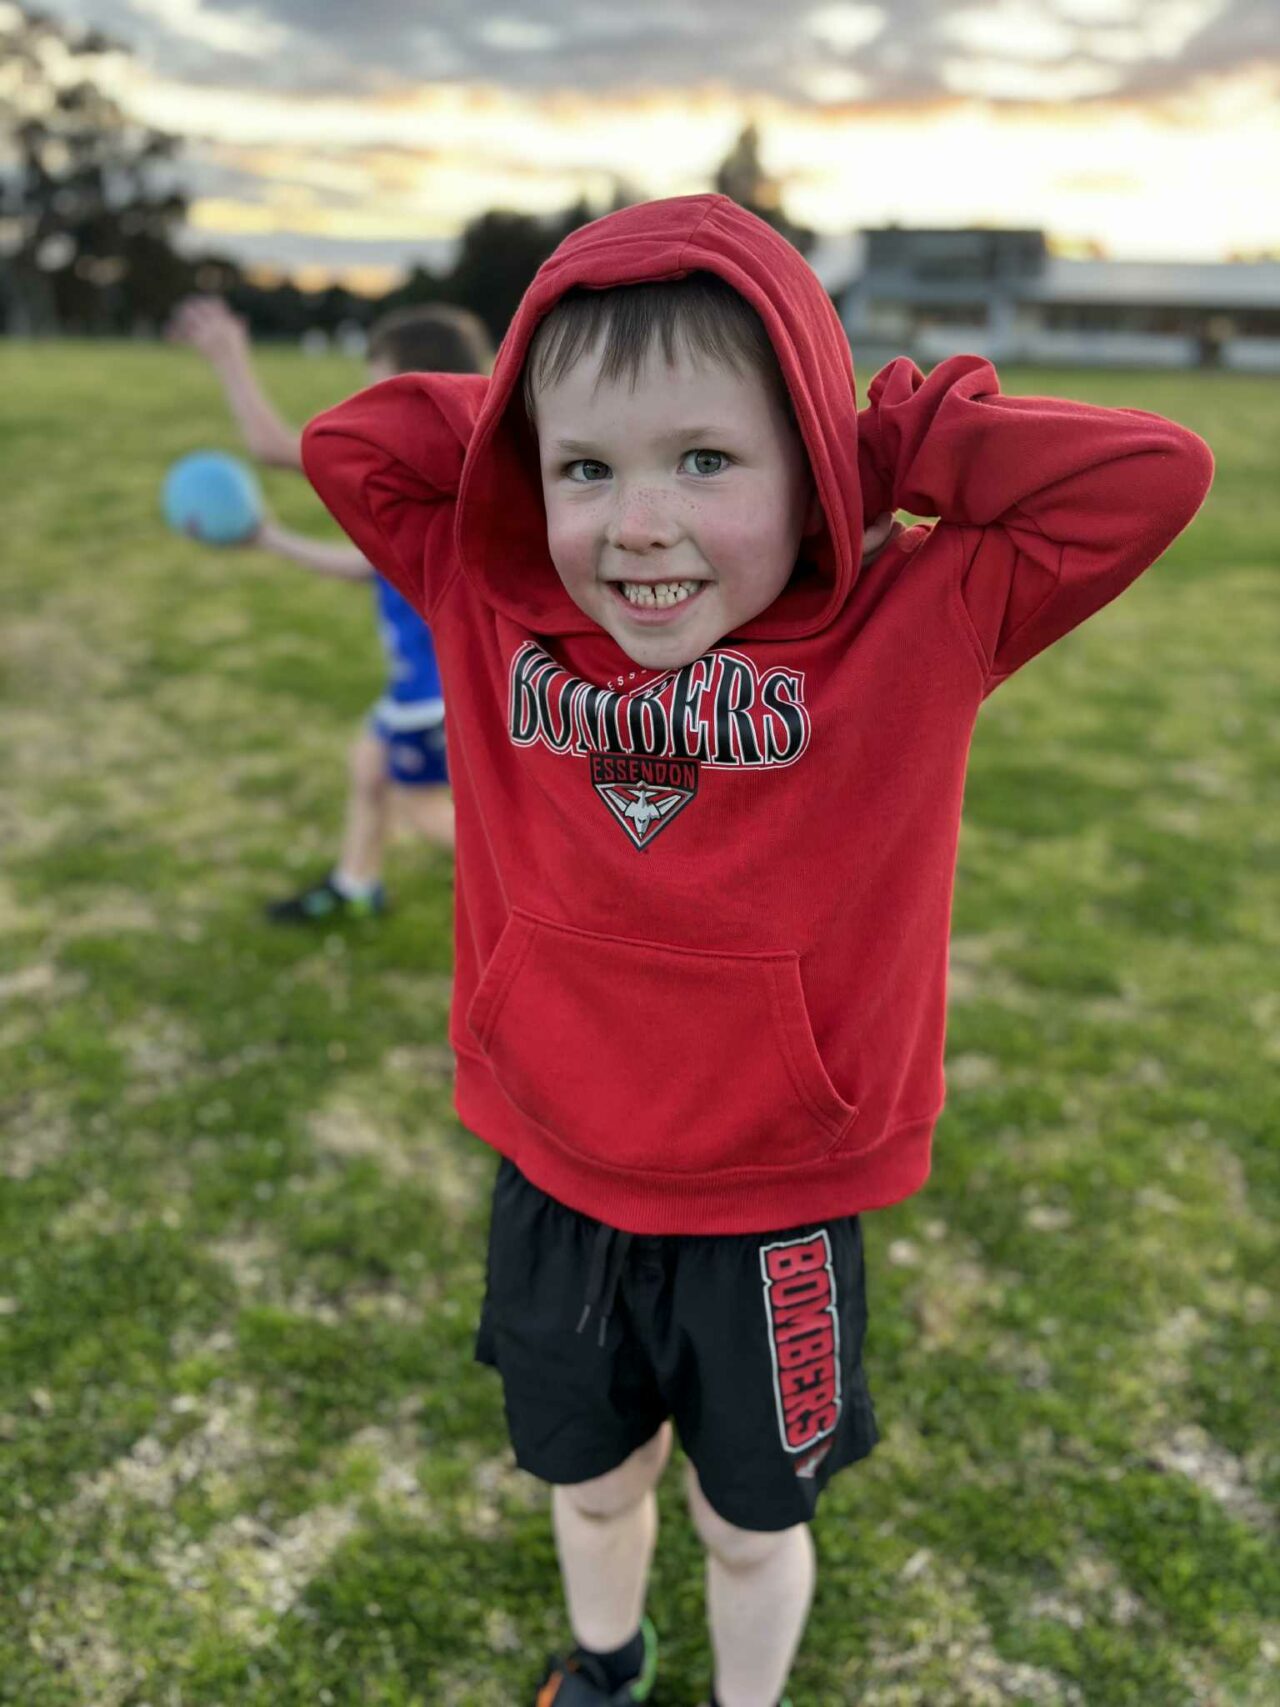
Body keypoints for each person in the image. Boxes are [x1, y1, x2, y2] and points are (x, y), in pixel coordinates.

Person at [299, 196, 1214, 1706]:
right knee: (592, 1486)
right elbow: (358, 444)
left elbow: (1147, 475)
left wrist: (873, 445)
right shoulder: (490, 595)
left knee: (748, 1521)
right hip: (555, 1166)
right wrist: (540, 417)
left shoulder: (919, 619)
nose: (638, 524)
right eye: (588, 469)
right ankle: (606, 1664)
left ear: (814, 465)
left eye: (707, 460)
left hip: (773, 1196)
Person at [166, 297, 494, 919]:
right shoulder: (450, 466)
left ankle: (553, 889)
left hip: (433, 688)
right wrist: (269, 540)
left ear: (414, 385)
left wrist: (229, 357)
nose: (365, 405)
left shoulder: (421, 457)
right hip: (429, 681)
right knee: (370, 765)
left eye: (377, 385)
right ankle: (355, 888)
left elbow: (272, 448)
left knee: (425, 811)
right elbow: (366, 568)